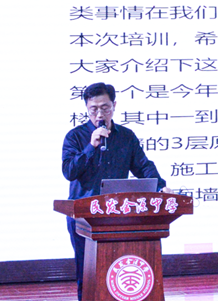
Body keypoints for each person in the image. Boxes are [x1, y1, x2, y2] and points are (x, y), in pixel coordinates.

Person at [61, 82, 170, 301]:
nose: (99, 114)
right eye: (93, 109)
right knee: (87, 273)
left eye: (105, 108)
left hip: (117, 215)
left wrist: (160, 186)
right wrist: (90, 147)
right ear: (86, 108)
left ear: (114, 106)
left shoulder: (126, 136)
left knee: (117, 267)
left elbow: (143, 166)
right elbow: (69, 171)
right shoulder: (75, 136)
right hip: (83, 216)